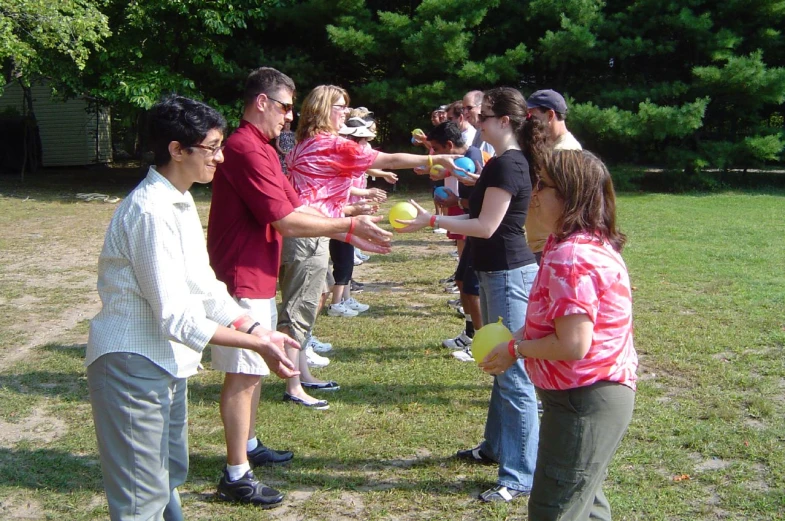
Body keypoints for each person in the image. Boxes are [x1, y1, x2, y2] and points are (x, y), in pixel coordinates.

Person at [86, 95, 301, 519]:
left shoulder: (178, 201)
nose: (220, 158)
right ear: (176, 150)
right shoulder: (151, 210)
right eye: (212, 147)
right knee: (140, 499)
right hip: (132, 365)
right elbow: (176, 315)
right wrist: (253, 345)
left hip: (163, 363)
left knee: (167, 479)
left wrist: (257, 330)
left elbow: (204, 288)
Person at [206, 67, 392, 503]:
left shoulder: (264, 148)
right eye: (286, 107)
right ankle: (236, 474)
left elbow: (297, 205)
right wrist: (347, 226)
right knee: (244, 374)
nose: (291, 116)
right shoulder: (244, 147)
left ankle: (248, 446)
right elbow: (285, 220)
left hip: (258, 271)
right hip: (241, 273)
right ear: (261, 102)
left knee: (251, 371)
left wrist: (346, 222)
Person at [396, 86, 548, 503]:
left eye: (483, 118)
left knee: (512, 372)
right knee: (498, 362)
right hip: (500, 271)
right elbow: (484, 213)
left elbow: (485, 226)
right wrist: (464, 188)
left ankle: (519, 476)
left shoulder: (508, 165)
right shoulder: (503, 163)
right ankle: (495, 449)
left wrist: (431, 220)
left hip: (508, 275)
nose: (475, 123)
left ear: (503, 122)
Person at [480, 150, 637, 521]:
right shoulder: (568, 243)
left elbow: (573, 344)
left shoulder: (572, 257)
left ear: (569, 196)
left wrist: (515, 349)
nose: (532, 194)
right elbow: (552, 323)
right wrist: (513, 341)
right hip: (584, 398)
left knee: (554, 510)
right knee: (586, 503)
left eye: (543, 186)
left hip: (584, 401)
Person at [280, 84, 461, 393]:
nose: (346, 114)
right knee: (300, 307)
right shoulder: (330, 144)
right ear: (323, 110)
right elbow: (386, 160)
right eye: (340, 107)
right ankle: (294, 385)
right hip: (309, 234)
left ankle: (301, 373)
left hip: (310, 230)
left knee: (310, 298)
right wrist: (433, 161)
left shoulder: (306, 143)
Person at [424, 121, 484, 356]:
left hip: (481, 233)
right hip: (472, 232)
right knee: (461, 281)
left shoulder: (474, 159)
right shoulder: (461, 159)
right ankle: (469, 333)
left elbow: (482, 203)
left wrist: (455, 202)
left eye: (437, 150)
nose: (436, 156)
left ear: (449, 145)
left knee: (472, 289)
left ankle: (480, 344)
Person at [525, 89, 582, 263]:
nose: (529, 123)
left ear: (550, 115)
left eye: (532, 117)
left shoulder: (566, 152)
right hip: (541, 244)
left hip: (550, 245)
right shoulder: (550, 148)